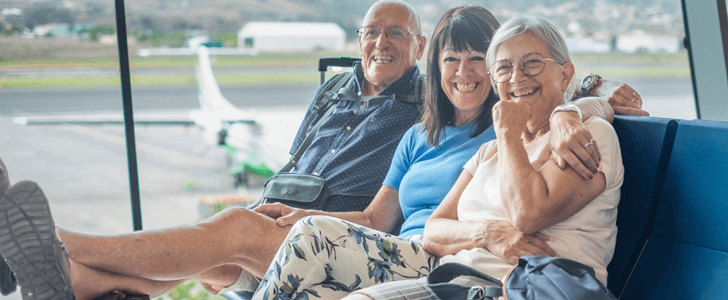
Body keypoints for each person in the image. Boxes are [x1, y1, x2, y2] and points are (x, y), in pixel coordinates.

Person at [0, 4, 643, 300]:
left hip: (426, 262)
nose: (470, 72)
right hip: (401, 246)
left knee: (233, 236)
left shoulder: (512, 128)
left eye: (482, 60)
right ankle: (65, 276)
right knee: (226, 252)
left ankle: (58, 246)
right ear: (437, 66)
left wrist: (588, 97)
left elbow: (555, 82)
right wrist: (296, 216)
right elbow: (377, 217)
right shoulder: (423, 134)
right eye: (455, 59)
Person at [248, 10, 624, 300]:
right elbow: (434, 230)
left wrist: (555, 116)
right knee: (316, 293)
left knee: (317, 240)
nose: (516, 78)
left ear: (564, 74)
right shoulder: (488, 151)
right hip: (458, 276)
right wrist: (486, 232)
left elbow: (528, 215)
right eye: (504, 68)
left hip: (520, 284)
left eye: (532, 64)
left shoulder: (582, 137)